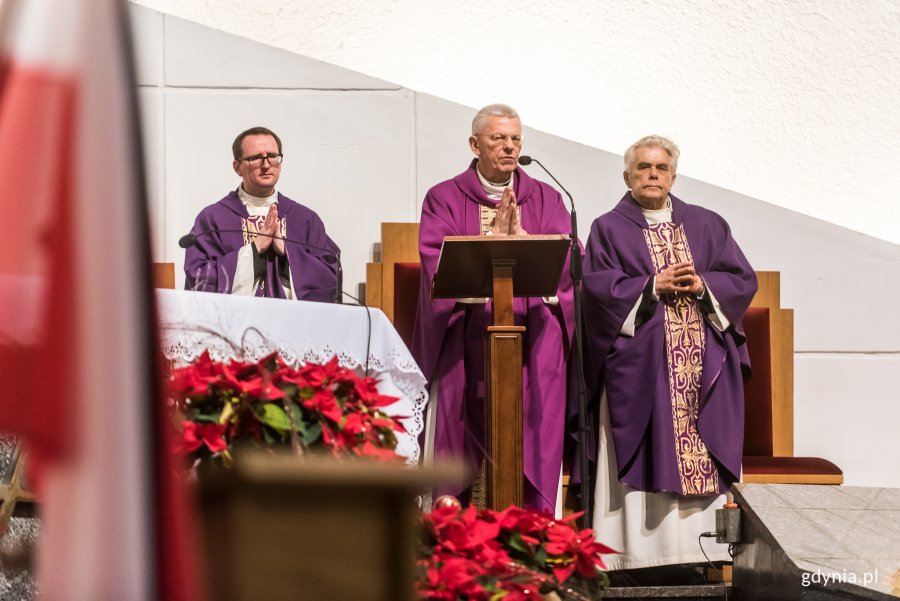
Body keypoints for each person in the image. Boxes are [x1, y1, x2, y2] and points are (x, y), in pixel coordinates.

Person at [582, 135, 757, 571]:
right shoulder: (608, 227)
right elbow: (596, 288)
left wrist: (702, 286)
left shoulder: (708, 224)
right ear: (628, 176)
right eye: (643, 168)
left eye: (660, 168)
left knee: (702, 437)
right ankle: (637, 556)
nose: (652, 175)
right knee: (646, 439)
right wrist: (650, 287)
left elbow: (741, 279)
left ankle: (704, 552)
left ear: (674, 176)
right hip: (640, 365)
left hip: (702, 364)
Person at [412, 104, 574, 513]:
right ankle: (459, 536)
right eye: (498, 138)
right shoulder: (444, 197)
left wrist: (525, 242)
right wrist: (495, 251)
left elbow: (568, 265)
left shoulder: (548, 197)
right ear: (474, 144)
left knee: (534, 431)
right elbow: (436, 263)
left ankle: (529, 534)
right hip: (464, 339)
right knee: (458, 428)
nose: (509, 147)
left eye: (515, 139)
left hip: (531, 341)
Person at [184, 126, 340, 301]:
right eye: (256, 158)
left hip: (294, 323)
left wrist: (287, 251)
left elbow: (330, 276)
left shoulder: (305, 219)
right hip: (235, 324)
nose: (266, 165)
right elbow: (198, 276)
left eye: (273, 156)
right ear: (237, 167)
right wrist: (255, 249)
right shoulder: (213, 219)